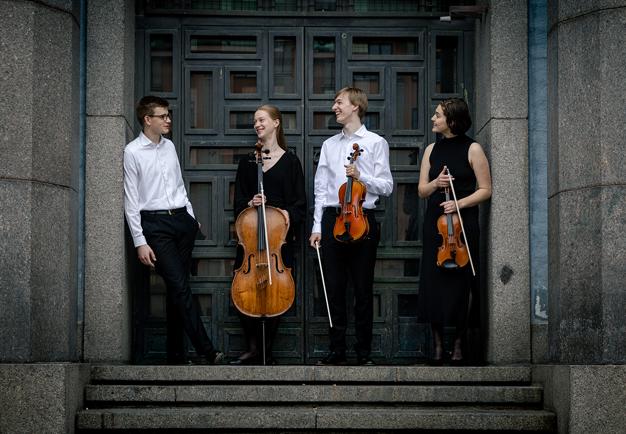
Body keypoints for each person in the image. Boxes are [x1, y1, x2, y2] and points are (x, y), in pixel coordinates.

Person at [124, 95, 224, 365]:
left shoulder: (169, 147)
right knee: (180, 287)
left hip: (181, 222)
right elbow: (131, 200)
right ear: (147, 120)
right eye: (162, 116)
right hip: (155, 226)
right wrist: (139, 241)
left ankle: (176, 356)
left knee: (176, 289)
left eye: (168, 116)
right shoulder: (132, 152)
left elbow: (178, 185)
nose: (168, 120)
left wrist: (190, 218)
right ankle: (207, 350)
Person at [309, 87, 393, 366]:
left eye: (339, 102)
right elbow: (321, 189)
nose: (334, 107)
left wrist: (362, 175)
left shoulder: (375, 142)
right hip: (333, 219)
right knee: (333, 289)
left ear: (355, 106)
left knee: (362, 290)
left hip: (363, 220)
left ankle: (364, 352)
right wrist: (316, 226)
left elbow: (387, 186)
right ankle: (337, 350)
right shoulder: (329, 146)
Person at [417, 98, 492, 365]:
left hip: (462, 225)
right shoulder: (430, 150)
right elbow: (421, 190)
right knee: (434, 282)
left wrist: (458, 203)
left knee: (463, 284)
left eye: (437, 115)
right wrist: (436, 183)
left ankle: (459, 344)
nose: (433, 119)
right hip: (435, 226)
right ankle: (438, 346)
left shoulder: (473, 149)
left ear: (452, 120)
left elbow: (485, 189)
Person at [231, 104, 306, 365]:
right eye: (254, 121)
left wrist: (287, 213)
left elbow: (300, 205)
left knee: (277, 293)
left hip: (278, 242)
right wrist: (250, 203)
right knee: (243, 290)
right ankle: (253, 347)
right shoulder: (247, 162)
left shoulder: (291, 161)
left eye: (262, 120)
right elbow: (237, 202)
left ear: (276, 123)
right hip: (250, 240)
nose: (257, 124)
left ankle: (267, 350)